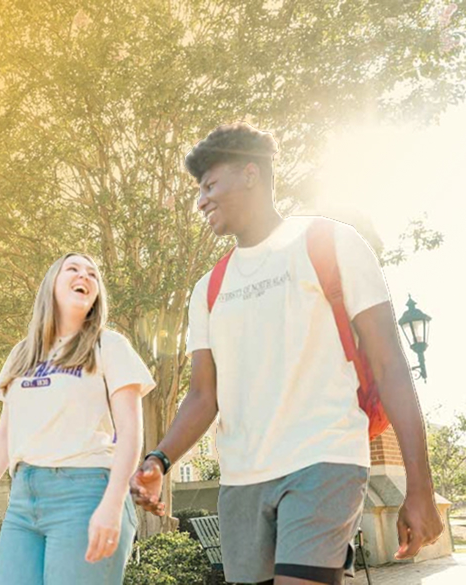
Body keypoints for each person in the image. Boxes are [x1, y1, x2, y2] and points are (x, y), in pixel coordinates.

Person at [130, 123, 443, 585]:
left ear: (251, 174)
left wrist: (421, 485)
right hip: (241, 480)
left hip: (325, 459)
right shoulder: (208, 290)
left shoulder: (332, 243)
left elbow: (389, 364)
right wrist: (158, 459)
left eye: (210, 185)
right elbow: (202, 395)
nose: (201, 200)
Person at [0, 252, 156, 585]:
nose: (85, 276)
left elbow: (130, 433)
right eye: (74, 269)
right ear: (51, 283)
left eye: (93, 274)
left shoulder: (109, 346)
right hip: (24, 499)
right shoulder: (23, 353)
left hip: (87, 493)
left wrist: (111, 504)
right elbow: (5, 435)